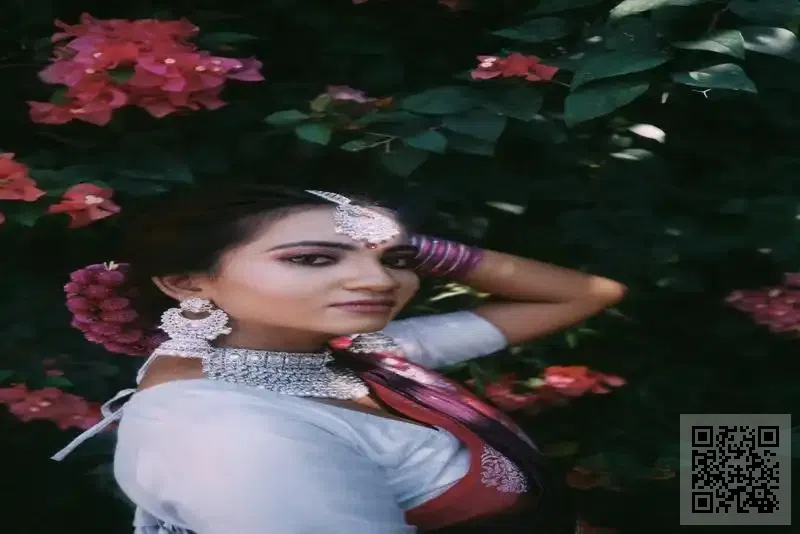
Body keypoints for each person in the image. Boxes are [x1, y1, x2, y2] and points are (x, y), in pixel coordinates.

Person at [55, 184, 626, 533]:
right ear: (187, 283)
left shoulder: (345, 354)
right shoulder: (220, 430)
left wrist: (399, 240)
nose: (379, 281)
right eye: (311, 259)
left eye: (396, 261)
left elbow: (584, 295)